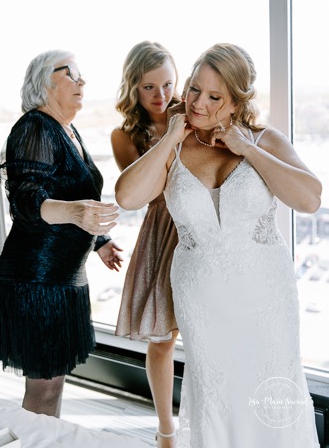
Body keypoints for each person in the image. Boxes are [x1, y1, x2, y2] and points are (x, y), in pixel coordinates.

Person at [115, 43, 321, 447]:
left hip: (266, 298)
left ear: (235, 103)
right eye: (194, 90)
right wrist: (171, 135)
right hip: (202, 301)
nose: (198, 103)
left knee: (273, 388)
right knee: (216, 395)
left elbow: (309, 199)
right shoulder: (173, 148)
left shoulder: (265, 140)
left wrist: (247, 150)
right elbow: (127, 197)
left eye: (214, 97)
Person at [0, 50, 124, 418]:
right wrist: (74, 212)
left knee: (53, 385)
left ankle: (43, 442)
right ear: (44, 82)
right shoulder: (35, 126)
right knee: (44, 390)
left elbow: (71, 191)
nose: (82, 81)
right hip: (37, 280)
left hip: (64, 278)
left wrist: (98, 242)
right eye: (72, 74)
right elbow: (25, 200)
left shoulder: (67, 129)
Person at [111, 41, 180, 447]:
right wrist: (172, 136)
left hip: (201, 227)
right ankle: (165, 429)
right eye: (149, 87)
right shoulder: (124, 136)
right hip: (161, 231)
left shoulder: (195, 114)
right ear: (133, 88)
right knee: (162, 339)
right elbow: (144, 192)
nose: (161, 96)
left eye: (168, 84)